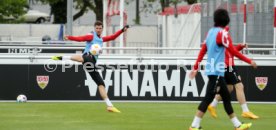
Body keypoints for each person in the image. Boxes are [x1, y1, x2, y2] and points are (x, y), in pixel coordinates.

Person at [188, 9, 257, 130]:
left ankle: (238, 125)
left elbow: (203, 50)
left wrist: (195, 68)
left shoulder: (210, 32)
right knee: (209, 98)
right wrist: (249, 61)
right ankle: (194, 125)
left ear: (215, 19)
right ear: (227, 20)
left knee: (226, 97)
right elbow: (232, 51)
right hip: (216, 72)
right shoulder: (222, 33)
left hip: (214, 71)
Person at [52, 21, 129, 113]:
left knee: (101, 84)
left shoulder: (101, 39)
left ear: (102, 28)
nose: (98, 30)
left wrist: (122, 30)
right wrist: (69, 37)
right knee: (87, 60)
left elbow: (112, 37)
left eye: (100, 28)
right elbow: (81, 38)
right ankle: (110, 106)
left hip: (89, 62)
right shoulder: (91, 36)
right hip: (89, 58)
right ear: (94, 28)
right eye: (97, 28)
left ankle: (62, 57)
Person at [192, 40, 259, 119]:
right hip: (228, 66)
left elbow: (231, 50)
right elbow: (233, 51)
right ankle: (245, 111)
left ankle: (212, 105)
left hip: (222, 66)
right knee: (239, 86)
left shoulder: (216, 38)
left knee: (229, 88)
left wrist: (241, 46)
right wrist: (249, 61)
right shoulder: (221, 37)